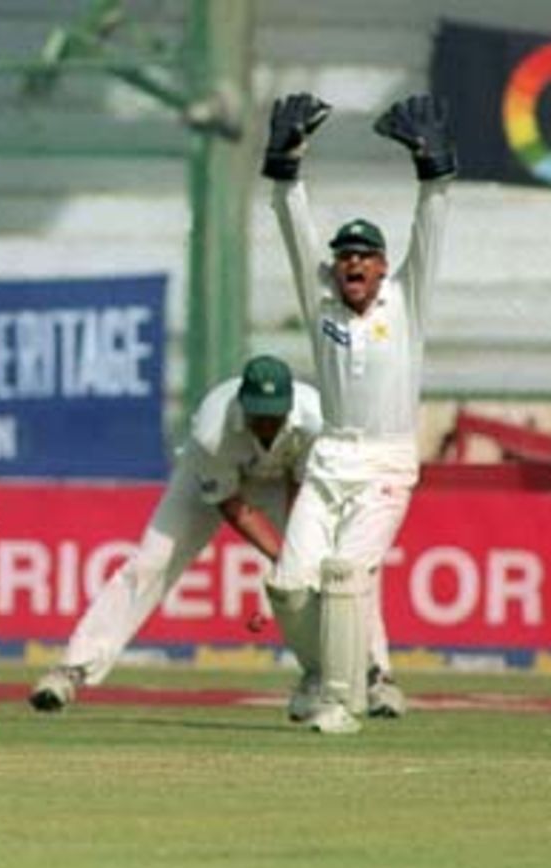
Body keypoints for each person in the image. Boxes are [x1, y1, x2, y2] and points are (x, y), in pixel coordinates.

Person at [261, 92, 454, 734]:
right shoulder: (323, 304)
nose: (353, 264)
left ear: (382, 266)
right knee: (289, 587)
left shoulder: (406, 302)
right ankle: (321, 674)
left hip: (387, 461)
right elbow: (295, 232)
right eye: (345, 256)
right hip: (330, 458)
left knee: (345, 574)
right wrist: (286, 163)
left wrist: (433, 173)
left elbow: (431, 229)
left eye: (365, 257)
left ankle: (342, 702)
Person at [31, 356, 326, 712]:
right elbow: (232, 505)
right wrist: (282, 557)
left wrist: (297, 556)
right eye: (257, 415)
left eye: (273, 416)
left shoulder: (315, 420)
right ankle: (72, 669)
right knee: (150, 563)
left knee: (323, 566)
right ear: (243, 404)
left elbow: (300, 489)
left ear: (289, 406)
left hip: (282, 482)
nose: (265, 425)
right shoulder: (211, 430)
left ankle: (356, 676)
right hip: (214, 480)